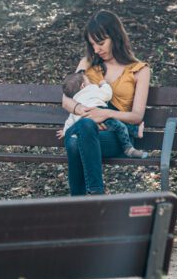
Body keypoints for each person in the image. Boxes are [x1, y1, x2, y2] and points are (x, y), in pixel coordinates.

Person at [59, 10, 151, 195]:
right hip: (85, 127)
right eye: (92, 44)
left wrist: (105, 114)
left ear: (115, 37)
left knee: (74, 143)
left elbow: (136, 116)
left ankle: (79, 202)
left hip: (116, 135)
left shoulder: (139, 70)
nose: (96, 50)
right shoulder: (86, 64)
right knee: (84, 127)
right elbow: (66, 101)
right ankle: (95, 196)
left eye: (100, 43)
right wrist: (89, 115)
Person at [61, 70, 149, 159]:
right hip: (102, 116)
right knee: (120, 126)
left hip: (87, 126)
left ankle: (135, 133)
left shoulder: (75, 102)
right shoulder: (91, 89)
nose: (91, 83)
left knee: (117, 125)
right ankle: (128, 147)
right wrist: (104, 84)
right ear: (83, 86)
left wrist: (65, 131)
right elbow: (107, 94)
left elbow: (70, 120)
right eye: (89, 81)